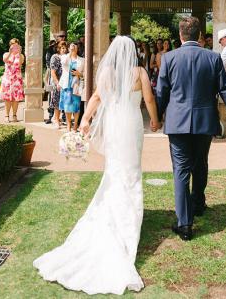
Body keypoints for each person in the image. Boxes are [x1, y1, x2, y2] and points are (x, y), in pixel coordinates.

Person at [34, 37, 159, 295]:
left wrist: (85, 120)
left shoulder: (107, 74)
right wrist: (156, 121)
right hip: (131, 124)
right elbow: (148, 100)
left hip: (114, 125)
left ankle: (115, 210)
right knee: (131, 172)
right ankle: (127, 220)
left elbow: (96, 97)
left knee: (115, 170)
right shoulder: (139, 72)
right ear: (133, 52)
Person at [156, 17, 226, 241]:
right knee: (200, 164)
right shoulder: (213, 57)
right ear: (199, 36)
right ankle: (198, 204)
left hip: (177, 123)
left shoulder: (168, 58)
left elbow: (162, 92)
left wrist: (157, 117)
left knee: (180, 170)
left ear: (180, 36)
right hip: (204, 121)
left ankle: (185, 223)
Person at [0, 38, 25, 122]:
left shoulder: (21, 55)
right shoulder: (6, 54)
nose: (14, 47)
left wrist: (19, 53)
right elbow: (5, 60)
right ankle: (6, 116)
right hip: (8, 79)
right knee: (7, 99)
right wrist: (10, 52)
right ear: (10, 45)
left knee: (16, 99)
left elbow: (20, 63)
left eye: (16, 45)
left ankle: (14, 115)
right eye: (13, 45)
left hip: (17, 79)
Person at [59, 42, 84, 131]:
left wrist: (79, 73)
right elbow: (63, 62)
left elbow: (85, 74)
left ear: (77, 49)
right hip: (67, 84)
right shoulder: (65, 57)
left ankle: (75, 125)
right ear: (69, 48)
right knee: (67, 105)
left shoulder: (82, 60)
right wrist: (70, 53)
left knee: (76, 106)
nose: (73, 48)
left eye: (75, 47)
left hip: (76, 85)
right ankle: (69, 124)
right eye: (71, 47)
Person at [48, 41, 67, 127]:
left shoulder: (67, 57)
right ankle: (56, 119)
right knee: (57, 101)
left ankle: (62, 119)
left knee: (63, 101)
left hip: (66, 82)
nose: (65, 49)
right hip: (57, 82)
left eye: (65, 48)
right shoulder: (55, 57)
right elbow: (53, 72)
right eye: (63, 48)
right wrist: (57, 83)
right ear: (58, 49)